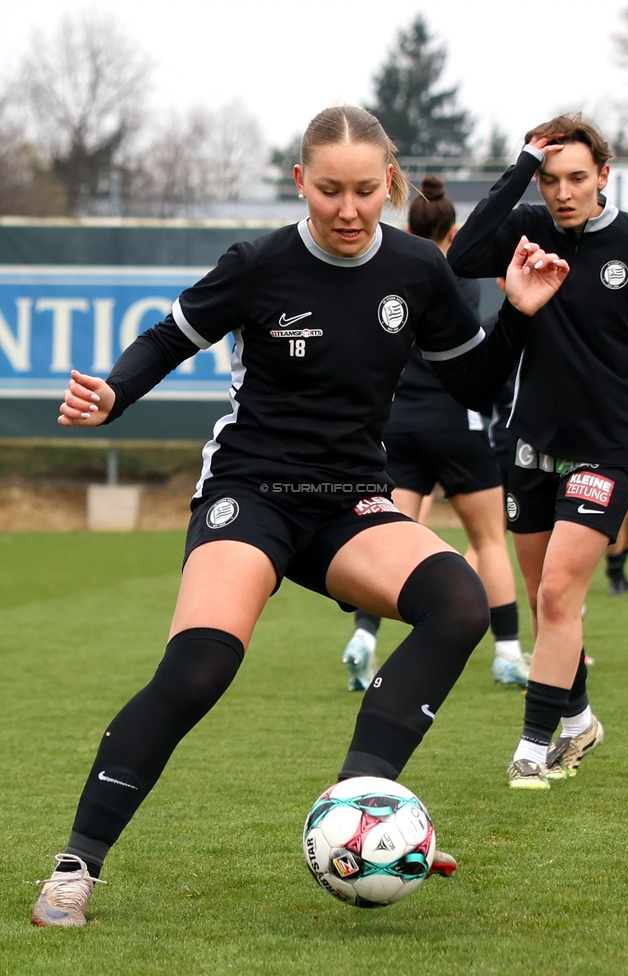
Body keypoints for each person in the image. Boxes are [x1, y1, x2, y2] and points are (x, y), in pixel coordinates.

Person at [31, 105, 567, 926]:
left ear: (389, 183)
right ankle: (76, 866)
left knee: (458, 601)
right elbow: (169, 338)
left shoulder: (419, 269)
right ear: (300, 183)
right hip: (251, 491)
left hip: (350, 498)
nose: (348, 210)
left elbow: (474, 385)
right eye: (328, 191)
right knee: (200, 667)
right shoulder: (259, 263)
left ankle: (356, 807)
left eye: (365, 191)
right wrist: (115, 393)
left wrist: (520, 313)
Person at [448, 113, 628, 789]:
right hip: (530, 444)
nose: (563, 193)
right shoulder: (527, 227)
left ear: (603, 176)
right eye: (550, 179)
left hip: (607, 450)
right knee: (543, 598)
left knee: (561, 592)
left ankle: (532, 749)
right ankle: (579, 719)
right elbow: (461, 257)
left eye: (576, 178)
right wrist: (520, 166)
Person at [342, 174, 528, 693]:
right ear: (453, 231)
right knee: (489, 539)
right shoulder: (459, 276)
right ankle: (508, 654)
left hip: (399, 426)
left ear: (407, 227)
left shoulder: (389, 273)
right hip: (455, 422)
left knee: (386, 542)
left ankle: (364, 636)